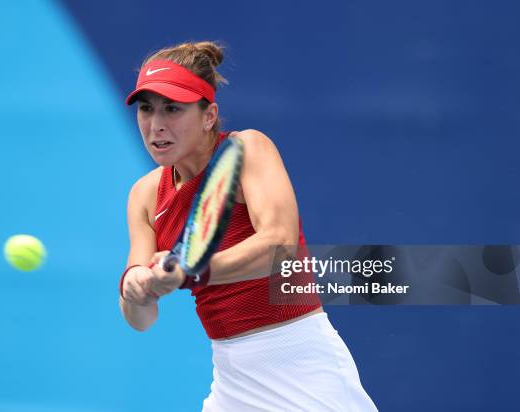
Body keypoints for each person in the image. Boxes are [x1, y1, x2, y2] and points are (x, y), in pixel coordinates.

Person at [119, 41, 378, 412]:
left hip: (303, 368)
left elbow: (280, 246)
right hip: (231, 383)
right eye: (146, 109)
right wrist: (136, 289)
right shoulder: (144, 195)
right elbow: (141, 320)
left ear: (209, 116)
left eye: (172, 109)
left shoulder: (247, 149)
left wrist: (191, 272)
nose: (156, 124)